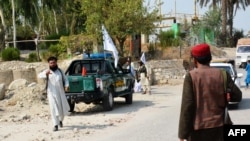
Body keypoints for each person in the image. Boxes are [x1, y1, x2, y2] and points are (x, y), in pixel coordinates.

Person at [178, 43, 242, 141]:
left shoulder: (191, 76)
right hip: (220, 127)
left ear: (195, 60)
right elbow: (238, 96)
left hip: (198, 130)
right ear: (210, 58)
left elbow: (187, 106)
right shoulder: (223, 74)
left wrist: (183, 134)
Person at [38, 56, 70, 132]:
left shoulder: (60, 71)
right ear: (49, 64)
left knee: (61, 109)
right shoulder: (47, 71)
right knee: (53, 108)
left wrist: (66, 85)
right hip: (51, 93)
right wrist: (46, 74)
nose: (52, 64)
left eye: (54, 62)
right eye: (51, 63)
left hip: (60, 93)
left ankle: (60, 120)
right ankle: (55, 125)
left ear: (56, 63)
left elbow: (66, 79)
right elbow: (39, 76)